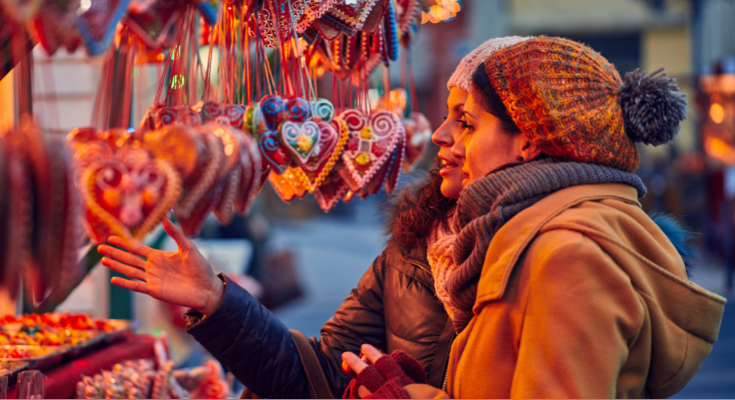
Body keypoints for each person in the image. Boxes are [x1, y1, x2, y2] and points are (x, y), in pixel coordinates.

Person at [96, 37, 531, 398]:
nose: (440, 135)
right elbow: (319, 376)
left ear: (528, 141)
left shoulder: (559, 253)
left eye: (467, 122)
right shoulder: (417, 245)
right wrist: (216, 299)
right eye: (446, 117)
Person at [340, 36, 727, 399]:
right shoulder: (523, 240)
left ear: (528, 141)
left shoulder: (568, 258)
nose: (449, 138)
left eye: (469, 124)